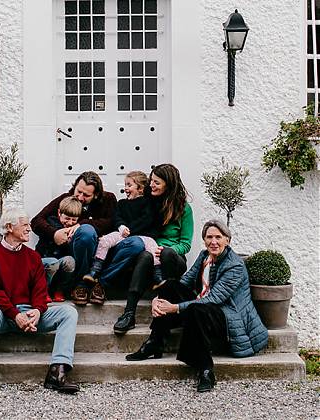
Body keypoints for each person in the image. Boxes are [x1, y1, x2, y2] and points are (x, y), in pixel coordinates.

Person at [125, 219, 268, 393]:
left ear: (227, 240)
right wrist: (157, 299)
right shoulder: (204, 256)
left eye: (218, 237)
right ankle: (155, 343)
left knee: (196, 308)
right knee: (170, 285)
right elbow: (184, 282)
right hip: (202, 311)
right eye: (209, 237)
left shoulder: (235, 266)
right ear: (204, 239)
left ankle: (206, 370)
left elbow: (213, 299)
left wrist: (175, 308)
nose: (213, 242)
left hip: (228, 319)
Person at [0, 208, 79, 399]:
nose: (29, 228)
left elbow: (40, 290)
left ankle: (57, 372)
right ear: (9, 227)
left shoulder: (33, 257)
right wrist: (15, 315)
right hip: (3, 315)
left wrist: (37, 310)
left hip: (30, 315)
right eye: (25, 224)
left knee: (69, 312)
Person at [31, 171, 144, 306]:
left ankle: (100, 283)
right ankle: (81, 285)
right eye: (78, 191)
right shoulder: (67, 198)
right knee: (86, 233)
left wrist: (81, 224)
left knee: (136, 244)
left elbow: (111, 221)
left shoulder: (108, 199)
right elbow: (37, 221)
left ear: (96, 195)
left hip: (104, 251)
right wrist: (54, 233)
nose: (79, 197)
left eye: (86, 195)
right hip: (79, 253)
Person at [113, 163, 194, 335]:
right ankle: (129, 313)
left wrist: (167, 248)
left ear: (169, 184)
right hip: (150, 255)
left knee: (165, 253)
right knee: (145, 256)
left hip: (173, 258)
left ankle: (165, 307)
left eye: (156, 182)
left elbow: (186, 244)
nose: (151, 185)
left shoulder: (184, 209)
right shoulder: (150, 203)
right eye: (151, 181)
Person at [83, 171, 163, 288]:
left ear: (140, 189)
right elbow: (117, 217)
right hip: (122, 233)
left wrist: (129, 229)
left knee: (154, 250)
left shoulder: (148, 203)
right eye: (125, 185)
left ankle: (158, 278)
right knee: (105, 241)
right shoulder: (121, 203)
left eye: (129, 185)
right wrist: (121, 226)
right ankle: (94, 270)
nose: (125, 188)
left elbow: (146, 220)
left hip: (143, 236)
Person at [36, 196, 83, 302]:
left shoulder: (75, 229)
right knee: (53, 263)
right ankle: (44, 291)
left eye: (73, 220)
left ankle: (59, 290)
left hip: (60, 264)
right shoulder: (50, 223)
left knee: (70, 261)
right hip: (44, 262)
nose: (70, 222)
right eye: (67, 218)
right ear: (59, 213)